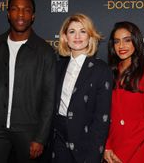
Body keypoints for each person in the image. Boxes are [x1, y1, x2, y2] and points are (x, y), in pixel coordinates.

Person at [0, 0, 56, 163]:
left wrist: (40, 137)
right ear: (8, 13)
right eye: (15, 9)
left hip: (29, 131)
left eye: (26, 10)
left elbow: (49, 99)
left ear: (33, 16)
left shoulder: (45, 52)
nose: (20, 14)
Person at [48, 13, 113, 163]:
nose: (77, 36)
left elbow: (102, 120)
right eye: (72, 31)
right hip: (58, 139)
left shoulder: (101, 70)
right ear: (65, 37)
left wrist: (94, 156)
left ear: (90, 36)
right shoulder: (58, 67)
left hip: (85, 141)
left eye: (83, 31)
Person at [104, 21, 144, 163]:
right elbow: (102, 114)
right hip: (110, 150)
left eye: (127, 40)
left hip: (137, 150)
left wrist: (123, 153)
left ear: (136, 41)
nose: (121, 46)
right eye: (117, 41)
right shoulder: (108, 73)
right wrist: (107, 146)